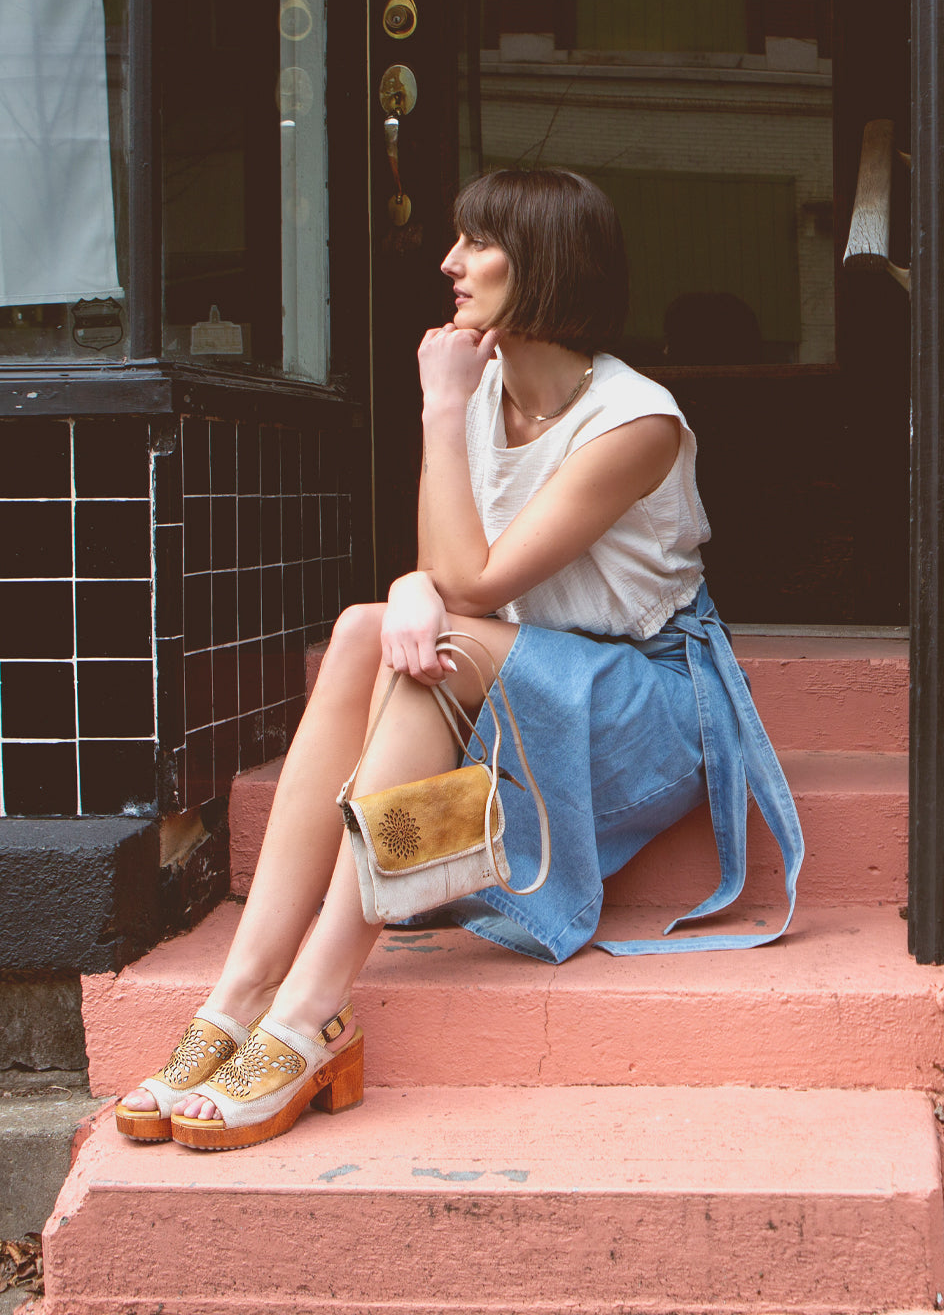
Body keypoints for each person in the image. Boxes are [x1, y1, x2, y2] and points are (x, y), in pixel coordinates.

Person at [114, 168, 803, 1152]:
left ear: (547, 261)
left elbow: (468, 585)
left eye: (477, 241)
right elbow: (444, 576)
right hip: (522, 680)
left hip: (645, 707)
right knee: (367, 632)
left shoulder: (634, 421)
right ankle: (244, 992)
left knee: (431, 638)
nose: (449, 262)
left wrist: (437, 424)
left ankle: (308, 1011)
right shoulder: (481, 392)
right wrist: (406, 586)